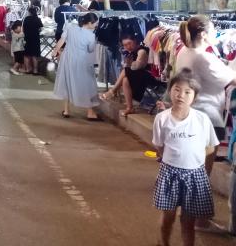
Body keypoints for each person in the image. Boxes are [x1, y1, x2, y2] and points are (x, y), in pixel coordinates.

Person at [174, 14, 236, 231]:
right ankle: (198, 220)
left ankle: (190, 214)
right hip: (207, 117)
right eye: (212, 30)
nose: (215, 34)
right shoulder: (203, 57)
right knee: (202, 171)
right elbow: (231, 78)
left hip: (189, 114)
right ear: (202, 34)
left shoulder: (184, 52)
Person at [152, 71, 219, 246]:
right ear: (170, 91)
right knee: (168, 217)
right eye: (177, 89)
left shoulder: (202, 119)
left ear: (194, 96)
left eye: (187, 92)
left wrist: (203, 170)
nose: (181, 95)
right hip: (169, 174)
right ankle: (162, 243)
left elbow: (210, 148)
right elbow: (159, 146)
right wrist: (171, 159)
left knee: (188, 222)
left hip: (195, 175)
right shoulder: (161, 119)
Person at [52, 12, 102, 120]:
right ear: (90, 23)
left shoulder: (70, 28)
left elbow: (61, 40)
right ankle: (90, 112)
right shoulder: (91, 35)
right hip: (81, 60)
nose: (96, 25)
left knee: (66, 82)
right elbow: (90, 49)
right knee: (87, 84)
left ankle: (66, 111)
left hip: (67, 58)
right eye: (95, 24)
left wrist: (55, 51)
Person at [101, 33, 160, 116]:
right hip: (140, 75)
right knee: (125, 79)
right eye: (125, 45)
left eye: (129, 43)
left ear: (135, 41)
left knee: (126, 71)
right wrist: (128, 64)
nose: (128, 46)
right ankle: (129, 107)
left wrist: (129, 63)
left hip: (151, 76)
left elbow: (138, 66)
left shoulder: (141, 51)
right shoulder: (131, 52)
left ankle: (113, 91)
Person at [22, 6, 43, 75]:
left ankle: (28, 70)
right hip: (35, 39)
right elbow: (40, 29)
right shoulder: (37, 19)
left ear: (29, 12)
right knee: (35, 55)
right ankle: (35, 71)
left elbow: (23, 29)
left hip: (27, 38)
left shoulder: (26, 19)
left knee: (27, 55)